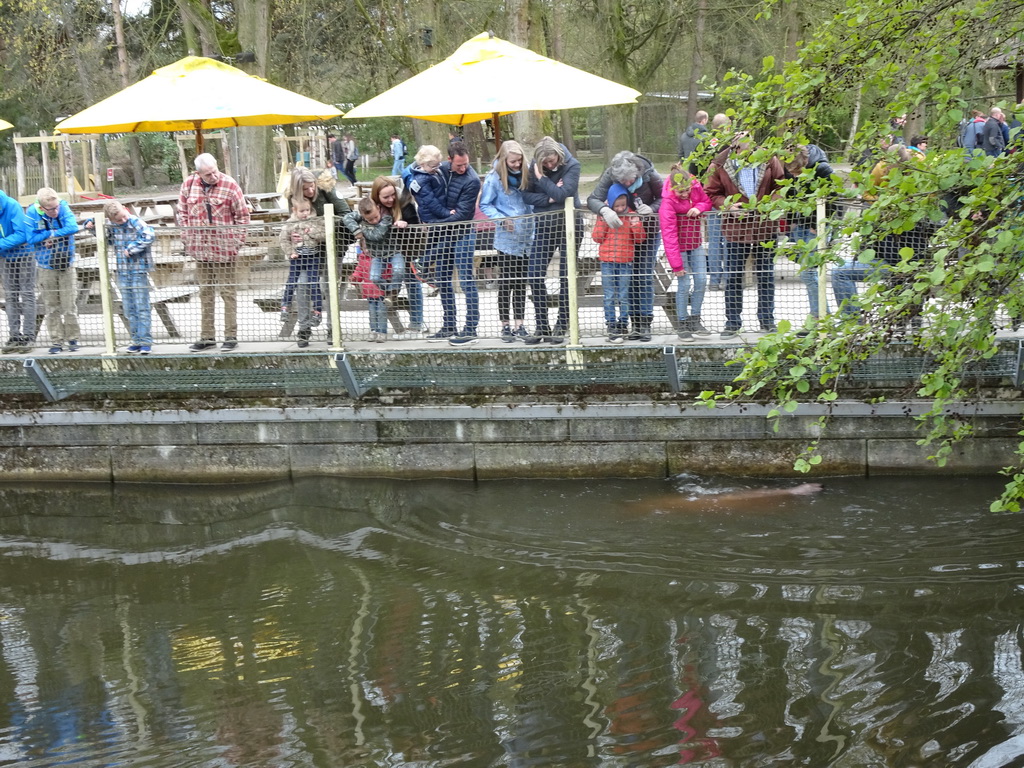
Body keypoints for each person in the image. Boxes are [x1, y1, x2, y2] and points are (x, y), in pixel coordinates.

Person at [704, 132, 786, 338]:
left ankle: (767, 320)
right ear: (735, 146)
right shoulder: (720, 163)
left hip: (764, 226)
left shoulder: (769, 159)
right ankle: (732, 322)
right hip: (735, 228)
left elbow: (781, 185)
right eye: (742, 144)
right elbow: (711, 193)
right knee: (733, 277)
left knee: (766, 275)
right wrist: (729, 206)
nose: (748, 148)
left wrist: (769, 204)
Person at [587, 150, 663, 342]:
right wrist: (605, 210)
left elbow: (665, 197)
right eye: (623, 182)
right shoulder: (610, 175)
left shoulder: (650, 174)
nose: (627, 185)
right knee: (625, 282)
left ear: (637, 173)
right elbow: (593, 199)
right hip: (620, 235)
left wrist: (651, 209)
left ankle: (643, 322)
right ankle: (625, 322)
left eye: (630, 181)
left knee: (643, 276)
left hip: (646, 232)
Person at [177, 153, 250, 351]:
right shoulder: (188, 185)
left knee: (228, 292)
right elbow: (182, 213)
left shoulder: (230, 185)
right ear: (198, 173)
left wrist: (236, 242)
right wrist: (187, 238)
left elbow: (243, 216)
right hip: (200, 250)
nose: (213, 176)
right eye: (208, 174)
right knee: (205, 292)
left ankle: (230, 336)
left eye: (214, 171)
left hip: (225, 249)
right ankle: (207, 337)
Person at [412, 141, 480, 345]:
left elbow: (462, 214)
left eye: (465, 163)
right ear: (449, 160)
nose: (463, 168)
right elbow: (415, 176)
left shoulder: (472, 180)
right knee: (443, 279)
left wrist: (435, 222)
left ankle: (470, 328)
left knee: (467, 281)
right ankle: (449, 325)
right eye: (459, 165)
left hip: (463, 233)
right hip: (441, 233)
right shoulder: (438, 169)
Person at [521, 137, 581, 345]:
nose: (549, 165)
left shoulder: (572, 165)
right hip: (544, 227)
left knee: (566, 276)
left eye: (552, 160)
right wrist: (549, 197)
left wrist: (543, 180)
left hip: (569, 227)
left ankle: (562, 324)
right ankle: (541, 325)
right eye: (544, 163)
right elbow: (526, 196)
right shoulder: (533, 168)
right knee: (535, 274)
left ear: (558, 155)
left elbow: (565, 193)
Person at [478, 140, 534, 342]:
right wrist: (501, 219)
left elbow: (532, 199)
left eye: (519, 161)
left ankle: (520, 324)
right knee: (506, 283)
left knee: (521, 283)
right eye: (513, 162)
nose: (517, 165)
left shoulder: (527, 173)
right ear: (504, 160)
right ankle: (505, 325)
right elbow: (485, 204)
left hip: (527, 236)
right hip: (506, 239)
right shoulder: (494, 179)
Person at [288, 167, 351, 336]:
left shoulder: (326, 189)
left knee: (329, 286)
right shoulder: (292, 198)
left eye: (312, 186)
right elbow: (293, 221)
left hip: (333, 245)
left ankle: (333, 327)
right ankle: (304, 327)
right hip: (308, 250)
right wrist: (293, 235)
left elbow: (346, 213)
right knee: (302, 285)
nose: (310, 191)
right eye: (305, 189)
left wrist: (323, 226)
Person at [781, 145, 835, 323]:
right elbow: (789, 195)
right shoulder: (790, 170)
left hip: (817, 227)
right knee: (808, 273)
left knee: (808, 273)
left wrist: (816, 225)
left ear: (805, 161)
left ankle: (820, 317)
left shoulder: (822, 169)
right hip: (800, 226)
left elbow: (833, 201)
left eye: (797, 172)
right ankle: (820, 314)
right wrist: (791, 223)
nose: (794, 176)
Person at [658, 167, 713, 342]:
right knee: (684, 282)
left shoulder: (695, 188)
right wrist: (676, 265)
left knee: (702, 279)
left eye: (688, 190)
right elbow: (669, 234)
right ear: (674, 189)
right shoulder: (668, 202)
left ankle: (695, 319)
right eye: (681, 191)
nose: (685, 194)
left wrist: (699, 207)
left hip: (695, 242)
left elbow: (706, 201)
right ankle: (682, 322)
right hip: (679, 247)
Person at [370, 175, 428, 336]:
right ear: (377, 197)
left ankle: (416, 322)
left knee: (411, 280)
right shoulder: (373, 207)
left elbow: (415, 224)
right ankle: (391, 293)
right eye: (386, 197)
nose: (390, 199)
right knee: (375, 277)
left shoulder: (404, 202)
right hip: (382, 249)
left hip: (406, 247)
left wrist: (405, 224)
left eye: (392, 195)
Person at [26, 187, 80, 354]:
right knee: (51, 306)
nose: (56, 211)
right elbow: (31, 238)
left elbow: (73, 227)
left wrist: (53, 235)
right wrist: (47, 235)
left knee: (69, 304)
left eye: (57, 207)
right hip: (45, 266)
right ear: (42, 208)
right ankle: (56, 340)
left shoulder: (63, 207)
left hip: (67, 263)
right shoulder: (32, 213)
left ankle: (73, 338)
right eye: (51, 209)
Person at [592, 184, 644, 343]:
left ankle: (623, 323)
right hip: (607, 260)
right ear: (611, 204)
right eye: (618, 205)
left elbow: (640, 239)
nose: (621, 208)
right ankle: (611, 324)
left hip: (625, 261)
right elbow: (597, 237)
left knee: (623, 294)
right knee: (609, 295)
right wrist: (603, 221)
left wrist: (636, 225)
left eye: (623, 205)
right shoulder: (604, 216)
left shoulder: (631, 215)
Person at [104, 200, 155, 354]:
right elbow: (107, 239)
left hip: (138, 270)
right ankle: (136, 340)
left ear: (126, 210)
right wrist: (91, 226)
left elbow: (149, 235)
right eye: (119, 220)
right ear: (112, 220)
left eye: (124, 217)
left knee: (142, 306)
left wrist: (131, 248)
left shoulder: (135, 222)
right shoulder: (113, 226)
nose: (123, 221)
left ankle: (145, 341)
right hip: (123, 272)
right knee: (128, 308)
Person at [278, 198, 326, 348]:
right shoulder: (290, 224)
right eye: (302, 211)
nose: (305, 213)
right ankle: (285, 305)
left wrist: (310, 233)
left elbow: (323, 234)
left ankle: (317, 310)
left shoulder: (315, 221)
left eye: (307, 210)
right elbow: (283, 239)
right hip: (297, 258)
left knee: (313, 283)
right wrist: (290, 252)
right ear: (294, 211)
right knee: (293, 281)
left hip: (312, 258)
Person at [343, 197, 405, 308]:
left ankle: (393, 292)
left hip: (394, 251)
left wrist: (362, 230)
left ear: (378, 208)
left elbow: (377, 235)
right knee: (374, 277)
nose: (375, 221)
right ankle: (389, 291)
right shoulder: (361, 218)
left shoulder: (386, 218)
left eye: (376, 217)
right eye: (370, 220)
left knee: (399, 269)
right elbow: (347, 218)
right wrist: (356, 230)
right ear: (363, 216)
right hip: (377, 255)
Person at [0, 188, 32, 353]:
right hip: (5, 257)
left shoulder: (12, 206)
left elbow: (22, 235)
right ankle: (14, 336)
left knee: (27, 294)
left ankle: (28, 336)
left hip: (24, 255)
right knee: (10, 296)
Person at [349, 239, 392, 342]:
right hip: (369, 292)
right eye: (365, 247)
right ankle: (374, 331)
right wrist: (354, 278)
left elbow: (389, 270)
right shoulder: (362, 259)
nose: (367, 250)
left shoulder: (382, 258)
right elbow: (359, 271)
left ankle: (382, 332)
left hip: (381, 291)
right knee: (372, 313)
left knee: (381, 312)